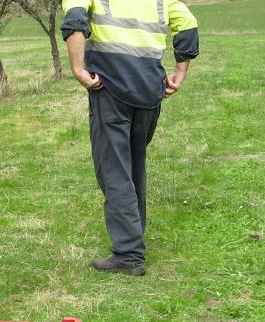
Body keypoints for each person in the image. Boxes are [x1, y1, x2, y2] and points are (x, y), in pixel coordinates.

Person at [60, 0, 199, 276]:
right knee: (134, 166)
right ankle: (133, 238)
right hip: (149, 92)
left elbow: (75, 19)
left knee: (115, 172)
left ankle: (128, 254)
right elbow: (188, 24)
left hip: (111, 89)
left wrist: (77, 68)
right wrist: (180, 73)